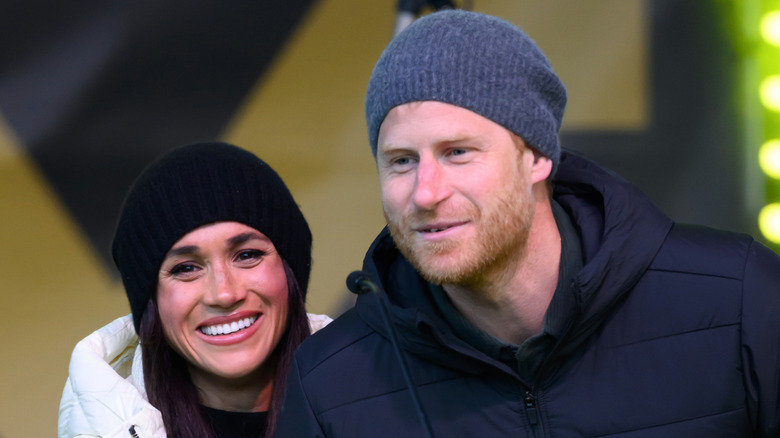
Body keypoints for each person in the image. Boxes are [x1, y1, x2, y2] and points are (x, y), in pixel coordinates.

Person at [276, 10, 780, 437]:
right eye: (402, 161)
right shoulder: (331, 384)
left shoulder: (738, 298)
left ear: (537, 157)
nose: (426, 193)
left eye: (458, 153)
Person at [58, 141, 331, 438]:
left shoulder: (381, 394)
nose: (224, 294)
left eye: (247, 255)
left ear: (290, 272)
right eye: (186, 268)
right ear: (151, 303)